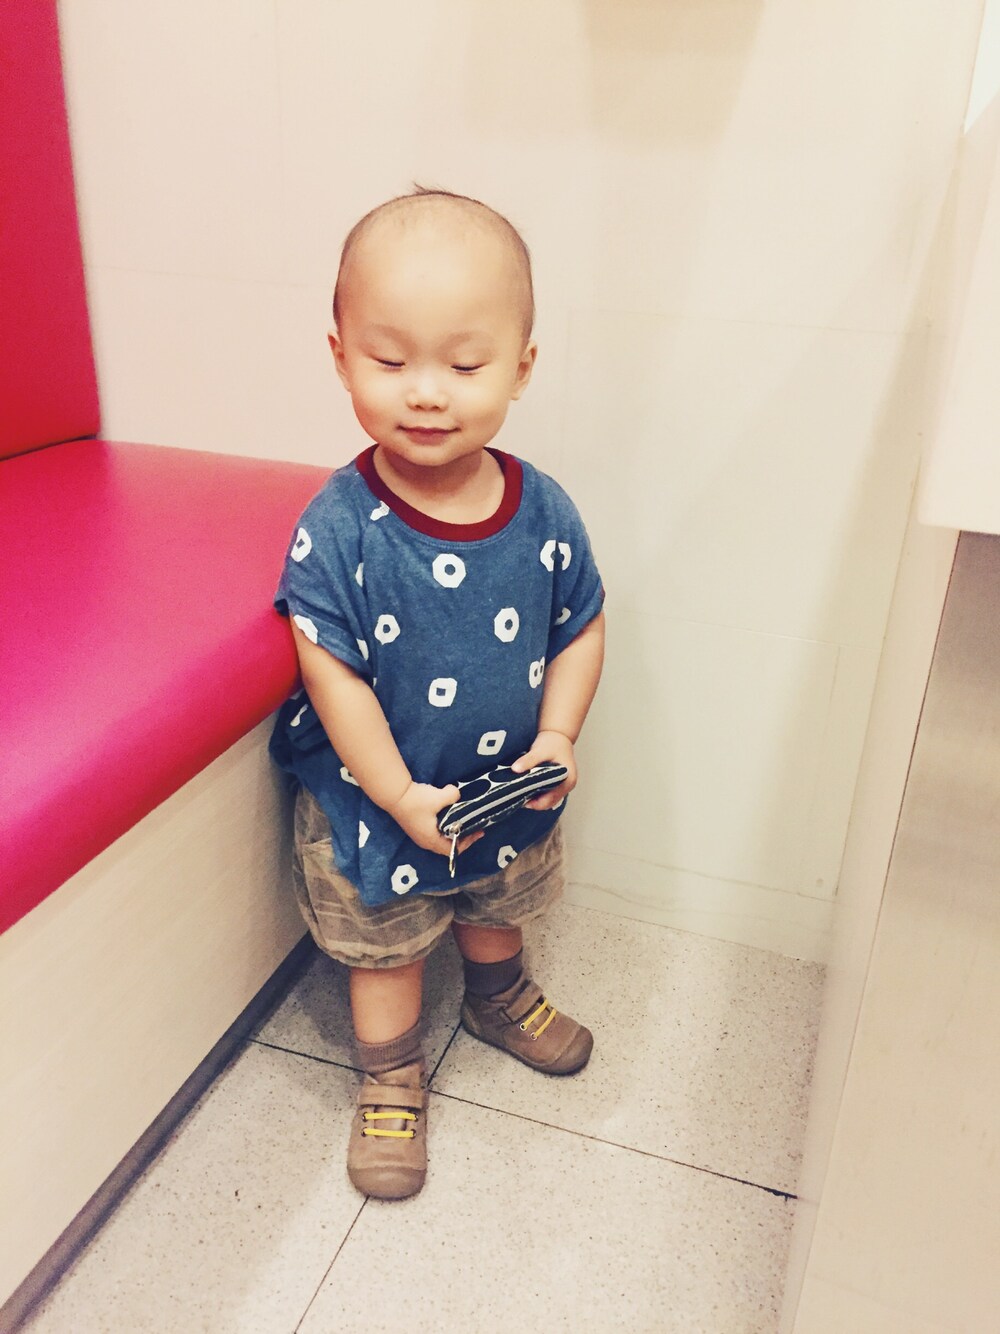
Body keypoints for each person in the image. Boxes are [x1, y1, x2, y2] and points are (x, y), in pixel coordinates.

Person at [270, 188, 606, 1200]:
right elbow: (328, 668)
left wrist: (558, 735)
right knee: (386, 943)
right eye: (389, 360)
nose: (426, 394)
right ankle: (389, 1074)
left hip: (503, 782)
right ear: (341, 358)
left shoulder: (542, 508)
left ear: (521, 367)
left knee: (497, 902)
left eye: (464, 367)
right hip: (379, 794)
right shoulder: (340, 524)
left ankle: (497, 997)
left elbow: (581, 623)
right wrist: (395, 792)